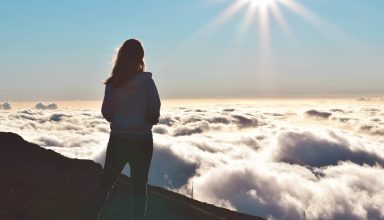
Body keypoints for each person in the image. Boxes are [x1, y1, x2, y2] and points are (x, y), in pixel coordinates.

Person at [87, 39, 161, 220]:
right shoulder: (147, 83)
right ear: (140, 59)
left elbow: (107, 112)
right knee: (139, 188)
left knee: (106, 183)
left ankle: (92, 216)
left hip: (119, 140)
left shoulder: (113, 84)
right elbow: (154, 113)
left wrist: (121, 120)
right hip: (142, 142)